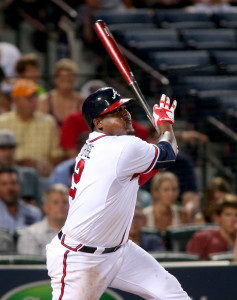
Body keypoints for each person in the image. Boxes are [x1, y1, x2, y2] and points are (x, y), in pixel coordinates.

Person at [46, 88, 190, 299]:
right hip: (80, 258)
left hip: (120, 252)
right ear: (98, 123)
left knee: (172, 293)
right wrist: (165, 124)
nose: (125, 114)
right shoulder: (121, 147)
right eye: (115, 111)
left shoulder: (96, 146)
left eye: (124, 108)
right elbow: (168, 153)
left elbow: (134, 179)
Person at [0, 79, 63, 177]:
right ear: (15, 100)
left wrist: (48, 166)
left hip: (41, 175)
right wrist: (21, 163)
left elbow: (57, 155)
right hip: (9, 174)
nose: (33, 101)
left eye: (35, 97)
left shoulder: (48, 121)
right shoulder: (2, 122)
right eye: (28, 98)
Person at [17, 184, 69, 256]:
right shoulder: (30, 234)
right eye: (56, 202)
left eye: (65, 202)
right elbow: (30, 265)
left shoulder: (80, 232)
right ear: (46, 207)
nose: (61, 206)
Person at [186, 195, 237, 260]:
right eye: (228, 215)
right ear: (218, 217)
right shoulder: (202, 238)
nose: (233, 220)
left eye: (236, 215)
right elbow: (190, 266)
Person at [37, 58, 84, 127]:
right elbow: (40, 127)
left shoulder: (82, 102)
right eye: (62, 79)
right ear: (55, 79)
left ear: (75, 78)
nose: (66, 83)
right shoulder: (44, 101)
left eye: (69, 79)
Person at [0, 129, 40, 204]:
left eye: (10, 147)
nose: (7, 153)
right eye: (2, 148)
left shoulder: (29, 174)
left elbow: (40, 202)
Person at [0, 167, 42, 234]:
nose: (9, 188)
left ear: (19, 185)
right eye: (4, 184)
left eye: (13, 183)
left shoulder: (34, 213)